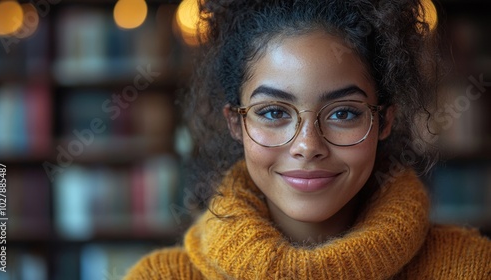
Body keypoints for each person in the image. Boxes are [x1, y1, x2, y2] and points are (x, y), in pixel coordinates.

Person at [125, 0, 491, 278]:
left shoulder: (471, 267)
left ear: (384, 122)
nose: (307, 145)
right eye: (273, 112)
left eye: (343, 113)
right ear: (236, 125)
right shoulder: (161, 275)